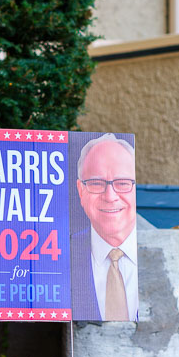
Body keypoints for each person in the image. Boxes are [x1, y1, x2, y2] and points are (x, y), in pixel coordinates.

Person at [69, 133, 137, 321]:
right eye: (96, 183)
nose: (110, 196)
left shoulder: (160, 252)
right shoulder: (63, 256)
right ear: (81, 190)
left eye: (123, 183)